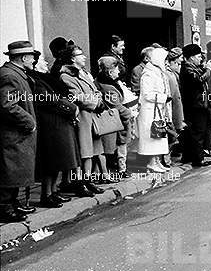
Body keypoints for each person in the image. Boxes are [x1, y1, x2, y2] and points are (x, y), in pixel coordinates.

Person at [28, 51, 77, 208]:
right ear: (36, 64)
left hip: (56, 123)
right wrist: (70, 108)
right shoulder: (36, 80)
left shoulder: (44, 78)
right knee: (50, 163)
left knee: (56, 162)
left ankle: (53, 191)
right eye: (43, 61)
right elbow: (49, 100)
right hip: (49, 125)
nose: (46, 64)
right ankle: (47, 194)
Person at [0, 41, 39, 222]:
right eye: (31, 57)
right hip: (13, 134)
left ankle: (13, 203)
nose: (33, 60)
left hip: (17, 134)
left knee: (16, 171)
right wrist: (29, 121)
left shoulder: (15, 73)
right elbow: (7, 105)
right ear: (24, 58)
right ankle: (5, 207)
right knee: (11, 171)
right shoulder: (10, 75)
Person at [59, 44, 105, 196]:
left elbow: (95, 90)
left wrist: (98, 99)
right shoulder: (66, 76)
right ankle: (80, 183)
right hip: (82, 117)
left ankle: (88, 180)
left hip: (92, 117)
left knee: (92, 151)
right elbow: (77, 96)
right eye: (80, 54)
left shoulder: (84, 73)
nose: (84, 57)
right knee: (83, 152)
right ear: (72, 58)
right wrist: (95, 102)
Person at [94, 56, 133, 180]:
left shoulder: (105, 82)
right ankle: (117, 172)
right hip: (114, 123)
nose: (119, 72)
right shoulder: (108, 87)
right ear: (110, 72)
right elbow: (117, 105)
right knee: (114, 149)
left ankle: (115, 171)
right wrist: (129, 113)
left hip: (114, 122)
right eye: (116, 69)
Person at [136, 47, 170, 173]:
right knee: (152, 137)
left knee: (158, 137)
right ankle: (151, 162)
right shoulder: (148, 74)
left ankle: (156, 161)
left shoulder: (156, 71)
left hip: (156, 110)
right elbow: (147, 94)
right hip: (150, 111)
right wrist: (164, 98)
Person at [179, 44, 211, 167]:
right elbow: (198, 80)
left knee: (193, 132)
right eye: (199, 56)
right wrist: (209, 70)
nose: (201, 59)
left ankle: (188, 157)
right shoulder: (188, 69)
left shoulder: (193, 67)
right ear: (191, 57)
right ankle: (198, 159)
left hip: (199, 103)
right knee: (198, 132)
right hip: (195, 105)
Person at [165, 47, 184, 161]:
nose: (179, 65)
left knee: (176, 130)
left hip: (177, 105)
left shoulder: (173, 73)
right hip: (172, 106)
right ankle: (169, 155)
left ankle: (173, 153)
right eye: (178, 63)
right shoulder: (168, 74)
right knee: (171, 132)